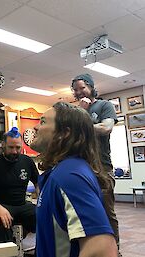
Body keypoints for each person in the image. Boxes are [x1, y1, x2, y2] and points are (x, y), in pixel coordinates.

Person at [30, 102, 118, 257]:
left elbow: (102, 248)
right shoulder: (61, 171)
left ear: (64, 133)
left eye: (43, 122)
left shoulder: (69, 176)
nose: (35, 127)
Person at [71, 73, 120, 249]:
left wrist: (81, 125)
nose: (78, 92)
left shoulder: (104, 105)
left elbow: (106, 127)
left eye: (82, 87)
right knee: (83, 212)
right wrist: (81, 112)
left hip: (102, 167)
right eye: (75, 90)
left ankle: (115, 249)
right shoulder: (75, 111)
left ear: (91, 86)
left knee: (107, 211)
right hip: (80, 168)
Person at [0, 127, 39, 243]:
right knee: (3, 223)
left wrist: (42, 201)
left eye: (18, 148)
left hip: (21, 205)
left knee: (43, 216)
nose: (14, 151)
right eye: (11, 147)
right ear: (3, 145)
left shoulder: (27, 162)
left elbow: (38, 184)